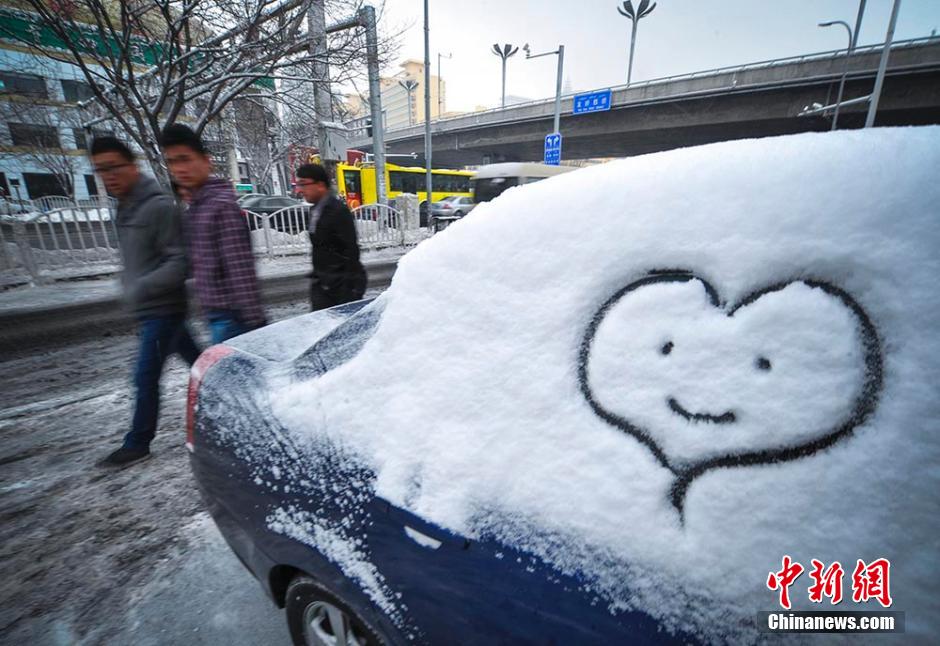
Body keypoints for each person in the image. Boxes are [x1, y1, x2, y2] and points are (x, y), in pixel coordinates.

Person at [90, 136, 201, 468]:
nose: (108, 176)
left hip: (163, 308)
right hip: (152, 309)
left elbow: (180, 261)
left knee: (144, 376)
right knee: (199, 364)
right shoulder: (126, 207)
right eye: (100, 170)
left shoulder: (158, 207)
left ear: (132, 165)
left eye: (113, 167)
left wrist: (140, 286)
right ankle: (235, 396)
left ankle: (138, 442)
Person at [161, 123, 265, 343]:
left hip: (232, 319)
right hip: (215, 314)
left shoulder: (221, 206)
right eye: (172, 162)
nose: (179, 169)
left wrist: (256, 323)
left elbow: (240, 269)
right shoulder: (198, 207)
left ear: (206, 161)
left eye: (185, 159)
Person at [294, 164, 367, 311]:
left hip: (340, 288)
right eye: (298, 184)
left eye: (303, 184)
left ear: (320, 185)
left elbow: (351, 251)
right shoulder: (315, 209)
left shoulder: (338, 211)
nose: (300, 190)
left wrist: (349, 290)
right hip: (324, 284)